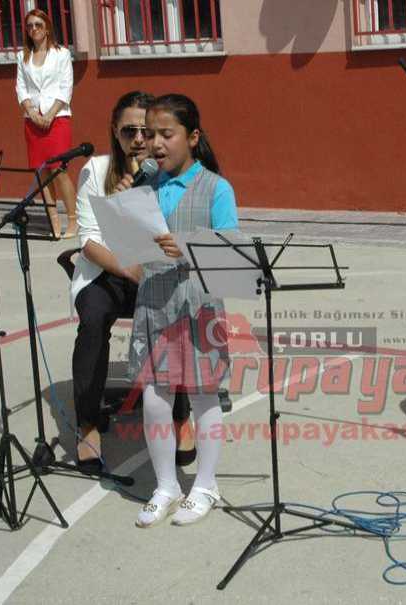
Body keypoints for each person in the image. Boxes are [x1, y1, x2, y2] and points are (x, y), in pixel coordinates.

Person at [70, 91, 194, 473]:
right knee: (92, 319)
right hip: (108, 272)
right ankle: (89, 423)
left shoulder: (170, 172)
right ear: (115, 131)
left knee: (178, 315)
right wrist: (128, 269)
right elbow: (88, 240)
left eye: (147, 130)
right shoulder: (96, 171)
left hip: (157, 271)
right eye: (130, 131)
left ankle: (180, 414)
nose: (139, 139)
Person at [128, 93, 238, 527]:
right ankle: (166, 484)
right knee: (155, 397)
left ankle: (206, 483)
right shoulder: (145, 184)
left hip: (199, 305)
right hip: (154, 302)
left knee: (202, 393)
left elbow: (230, 251)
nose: (154, 143)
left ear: (192, 137)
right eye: (149, 134)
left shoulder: (216, 188)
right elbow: (133, 242)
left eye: (166, 134)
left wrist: (189, 248)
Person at [15, 8, 78, 239]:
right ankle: (54, 219)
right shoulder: (23, 57)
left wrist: (50, 114)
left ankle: (73, 218)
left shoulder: (61, 54)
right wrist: (31, 111)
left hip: (57, 118)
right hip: (32, 121)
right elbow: (21, 87)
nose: (34, 30)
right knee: (42, 172)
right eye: (30, 26)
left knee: (59, 171)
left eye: (38, 25)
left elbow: (66, 86)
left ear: (47, 28)